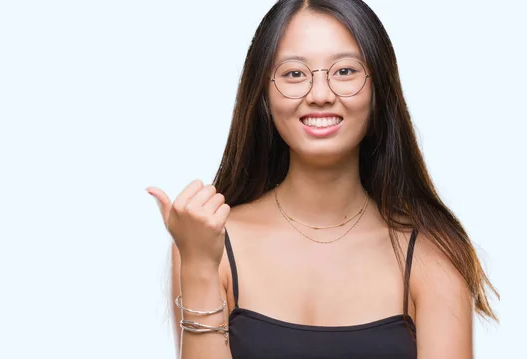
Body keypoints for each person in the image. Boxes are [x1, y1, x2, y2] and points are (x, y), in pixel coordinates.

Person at [147, 0, 498, 358]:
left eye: (345, 71)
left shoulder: (432, 255)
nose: (320, 95)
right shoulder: (210, 244)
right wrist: (199, 266)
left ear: (379, 86)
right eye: (294, 73)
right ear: (263, 93)